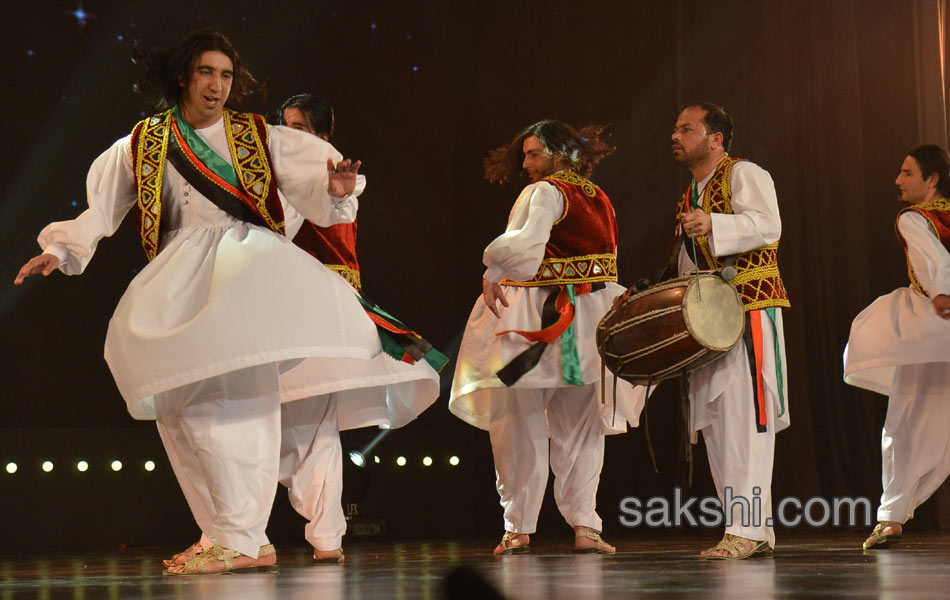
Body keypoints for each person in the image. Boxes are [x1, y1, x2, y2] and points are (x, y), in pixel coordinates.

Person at [14, 30, 382, 575]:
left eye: (227, 75)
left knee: (238, 406)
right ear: (184, 76)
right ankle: (224, 533)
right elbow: (102, 207)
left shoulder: (260, 136)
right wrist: (62, 248)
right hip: (178, 278)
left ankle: (243, 535)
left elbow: (320, 190)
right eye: (207, 72)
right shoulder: (144, 141)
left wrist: (336, 190)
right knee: (181, 410)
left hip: (249, 273)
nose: (217, 85)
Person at [161, 93, 447, 567]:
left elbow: (335, 209)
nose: (291, 133)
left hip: (316, 318)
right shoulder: (273, 177)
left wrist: (336, 191)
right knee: (275, 426)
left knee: (308, 429)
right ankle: (275, 536)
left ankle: (296, 537)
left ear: (323, 135)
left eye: (300, 126)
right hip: (280, 317)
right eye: (285, 125)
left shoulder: (330, 180)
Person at [449, 120, 645, 555]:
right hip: (591, 317)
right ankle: (584, 525)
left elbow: (526, 244)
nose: (527, 163)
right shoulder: (600, 197)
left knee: (518, 423)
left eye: (534, 153)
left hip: (540, 318)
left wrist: (494, 266)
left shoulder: (545, 192)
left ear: (559, 155)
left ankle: (518, 526)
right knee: (581, 427)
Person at [668, 103, 790, 559]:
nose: (676, 136)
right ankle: (746, 529)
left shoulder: (744, 173)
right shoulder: (690, 193)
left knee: (746, 416)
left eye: (687, 128)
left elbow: (769, 225)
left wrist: (714, 223)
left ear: (715, 138)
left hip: (750, 309)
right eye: (675, 129)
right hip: (711, 321)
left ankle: (749, 527)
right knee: (717, 421)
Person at [844, 144, 950, 550]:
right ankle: (892, 513)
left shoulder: (913, 217)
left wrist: (941, 294)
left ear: (932, 180)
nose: (898, 180)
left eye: (907, 172)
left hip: (929, 328)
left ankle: (891, 515)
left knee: (906, 418)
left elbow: (932, 264)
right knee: (923, 420)